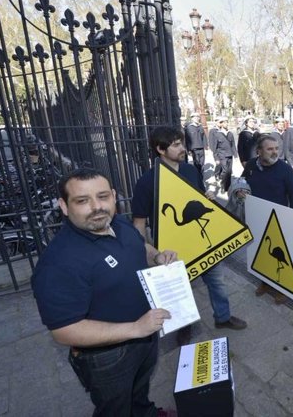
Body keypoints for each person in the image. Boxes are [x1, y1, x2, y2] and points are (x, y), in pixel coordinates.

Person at [32, 168, 178, 416]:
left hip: (146, 333)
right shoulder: (58, 263)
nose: (96, 207)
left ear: (113, 196)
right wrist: (135, 328)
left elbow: (139, 245)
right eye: (82, 200)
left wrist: (157, 256)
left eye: (102, 197)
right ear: (64, 206)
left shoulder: (119, 223)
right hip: (108, 356)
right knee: (115, 407)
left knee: (139, 389)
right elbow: (64, 331)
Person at [132, 127, 247, 346]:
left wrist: (209, 198)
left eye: (181, 143)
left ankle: (223, 317)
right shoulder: (146, 183)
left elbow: (200, 197)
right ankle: (184, 327)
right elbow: (138, 224)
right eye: (176, 145)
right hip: (172, 250)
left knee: (217, 282)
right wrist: (150, 253)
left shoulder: (191, 170)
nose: (183, 149)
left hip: (202, 243)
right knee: (180, 290)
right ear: (160, 149)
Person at [242, 135, 293, 303]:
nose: (275, 152)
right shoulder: (252, 165)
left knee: (282, 257)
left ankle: (284, 288)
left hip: (279, 221)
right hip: (257, 218)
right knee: (261, 252)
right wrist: (240, 190)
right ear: (259, 151)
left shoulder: (285, 169)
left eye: (276, 148)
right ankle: (265, 282)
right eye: (270, 149)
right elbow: (242, 180)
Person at [210, 116, 237, 192]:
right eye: (224, 122)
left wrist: (235, 155)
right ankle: (222, 183)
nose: (226, 124)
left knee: (229, 171)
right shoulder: (217, 134)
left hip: (229, 154)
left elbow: (233, 145)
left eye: (227, 122)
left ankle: (227, 186)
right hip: (222, 155)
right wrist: (216, 158)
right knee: (225, 171)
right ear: (221, 124)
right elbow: (215, 148)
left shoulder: (230, 133)